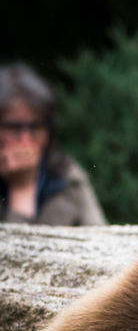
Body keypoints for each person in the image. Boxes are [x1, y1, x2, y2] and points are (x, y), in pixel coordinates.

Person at [0, 63, 105, 225]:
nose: (26, 141)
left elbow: (100, 239)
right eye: (14, 128)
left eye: (35, 127)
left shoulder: (67, 177)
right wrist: (21, 190)